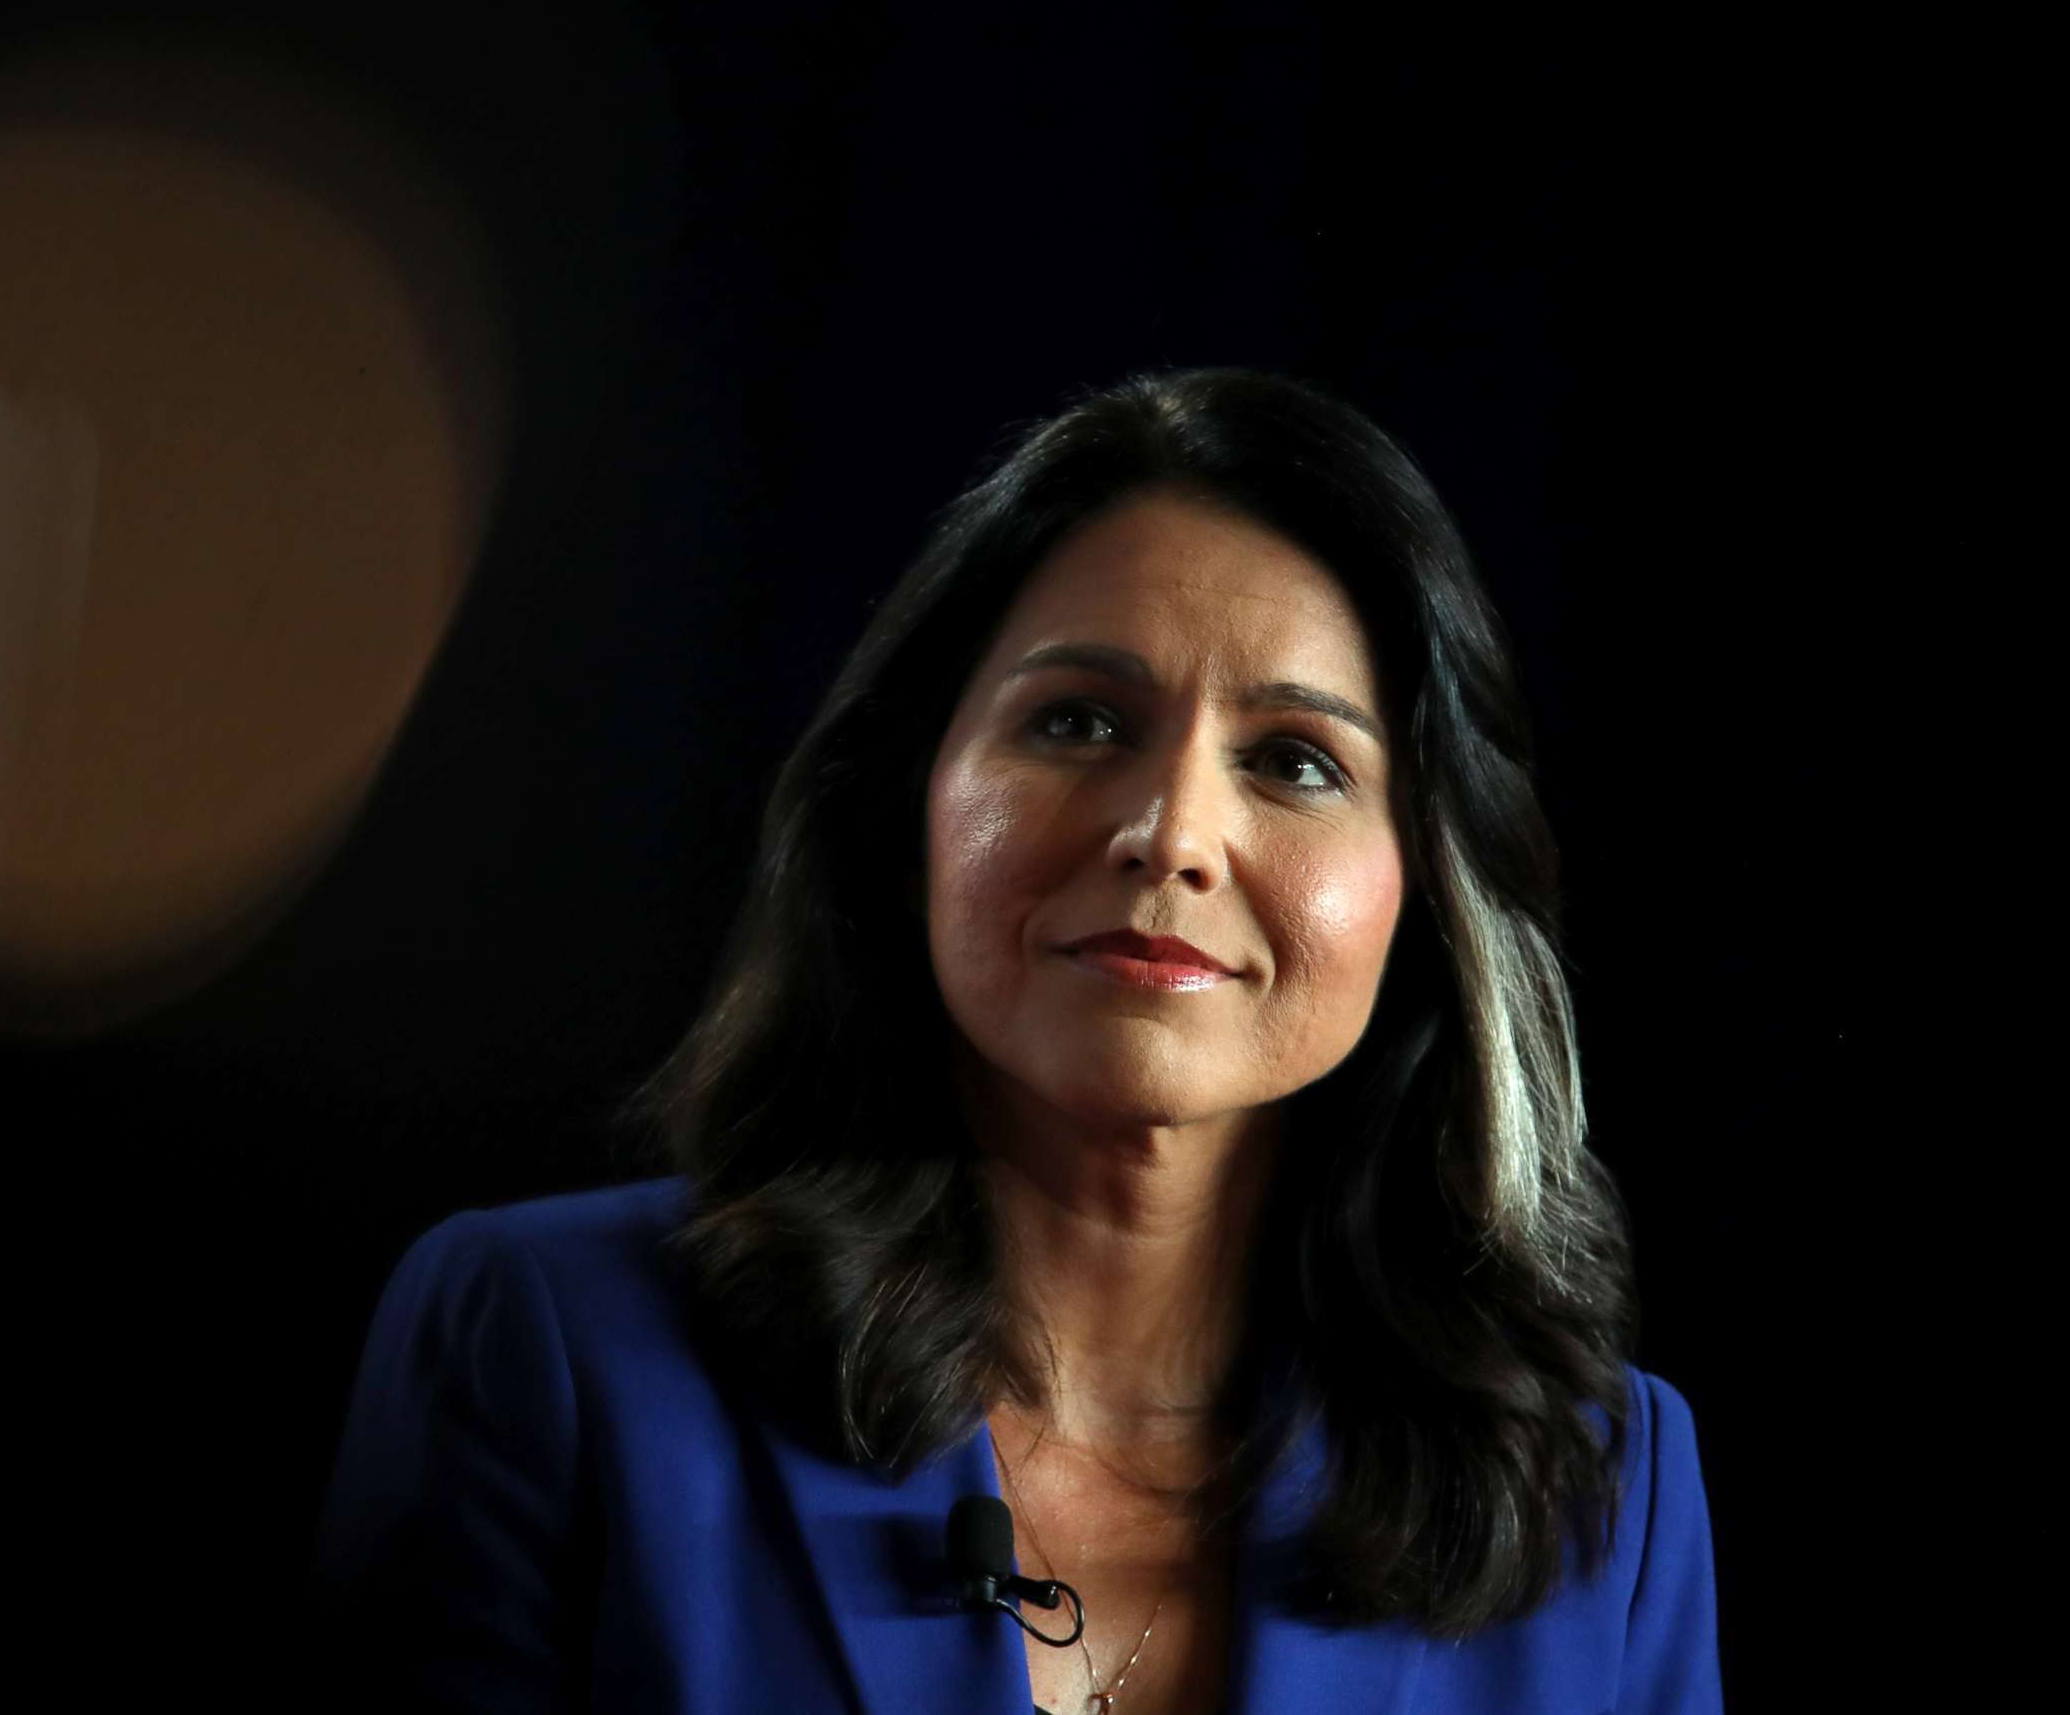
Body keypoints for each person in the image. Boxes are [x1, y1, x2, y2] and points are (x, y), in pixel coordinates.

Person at [308, 368, 1721, 1712]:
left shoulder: (1609, 1490)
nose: (1170, 832)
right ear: (912, 807)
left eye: (1296, 758)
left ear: (1425, 890)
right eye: (1078, 720)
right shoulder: (543, 1352)